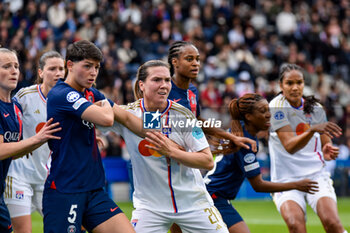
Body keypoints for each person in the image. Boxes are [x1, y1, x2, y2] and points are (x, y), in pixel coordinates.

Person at [102, 60, 229, 233]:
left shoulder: (183, 115)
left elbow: (207, 161)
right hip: (150, 208)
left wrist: (172, 152)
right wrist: (92, 135)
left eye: (167, 80)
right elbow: (91, 114)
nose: (164, 85)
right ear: (142, 85)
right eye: (157, 80)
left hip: (193, 203)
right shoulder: (128, 114)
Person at [43, 40, 143, 233]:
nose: (93, 72)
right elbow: (107, 119)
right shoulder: (62, 94)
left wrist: (164, 133)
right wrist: (106, 103)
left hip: (94, 188)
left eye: (96, 67)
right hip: (65, 189)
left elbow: (129, 120)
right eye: (87, 66)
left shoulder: (91, 94)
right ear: (69, 65)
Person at [203, 93, 319, 233]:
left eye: (268, 110)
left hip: (212, 194)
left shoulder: (239, 130)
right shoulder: (245, 143)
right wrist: (296, 185)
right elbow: (258, 185)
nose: (268, 115)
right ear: (249, 117)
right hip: (214, 198)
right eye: (263, 111)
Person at [268, 63, 347, 233]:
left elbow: (326, 142)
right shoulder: (276, 107)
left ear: (304, 84)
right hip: (286, 181)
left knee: (332, 223)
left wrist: (328, 149)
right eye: (289, 83)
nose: (295, 87)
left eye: (299, 82)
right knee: (296, 227)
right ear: (281, 85)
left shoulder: (315, 108)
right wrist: (312, 130)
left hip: (315, 175)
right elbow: (289, 146)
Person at [0, 48, 61, 233]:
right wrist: (37, 139)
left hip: (44, 176)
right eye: (7, 66)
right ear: (40, 72)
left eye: (16, 66)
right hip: (18, 177)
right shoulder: (24, 98)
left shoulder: (14, 107)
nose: (14, 71)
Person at [167, 40, 257, 151]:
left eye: (197, 59)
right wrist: (169, 145)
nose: (196, 63)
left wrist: (232, 137)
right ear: (175, 62)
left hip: (185, 154)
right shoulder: (164, 88)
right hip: (163, 156)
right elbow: (148, 123)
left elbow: (197, 121)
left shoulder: (193, 90)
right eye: (189, 59)